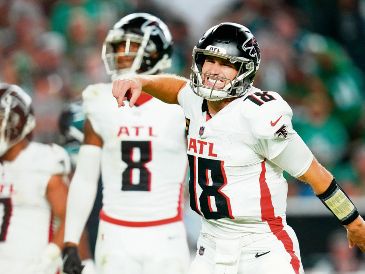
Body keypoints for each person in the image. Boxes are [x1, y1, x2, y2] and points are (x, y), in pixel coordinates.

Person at [112, 22, 365, 274]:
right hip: (209, 245)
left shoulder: (260, 115)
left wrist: (353, 222)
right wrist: (141, 81)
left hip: (262, 249)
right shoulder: (194, 99)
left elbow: (316, 175)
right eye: (209, 60)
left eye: (226, 64)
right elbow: (177, 89)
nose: (214, 70)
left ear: (245, 70)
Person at [62, 13, 190, 274]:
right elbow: (85, 177)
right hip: (114, 233)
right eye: (117, 47)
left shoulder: (183, 103)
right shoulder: (98, 100)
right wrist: (70, 239)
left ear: (154, 53)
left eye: (129, 47)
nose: (120, 55)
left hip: (166, 231)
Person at [0, 82, 69, 274]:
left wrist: (51, 254)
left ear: (17, 121)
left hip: (34, 266)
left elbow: (71, 218)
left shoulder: (43, 161)